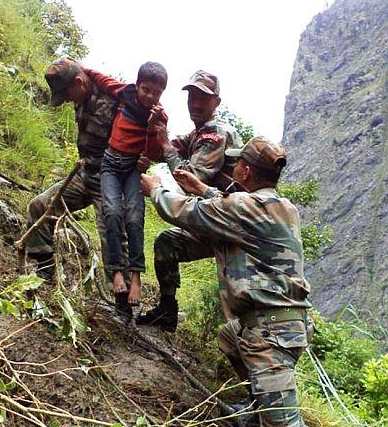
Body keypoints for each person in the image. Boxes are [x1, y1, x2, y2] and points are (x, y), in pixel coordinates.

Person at [140, 136, 340, 427]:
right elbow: (229, 210)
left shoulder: (246, 208)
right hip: (275, 328)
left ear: (245, 172)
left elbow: (178, 211)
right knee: (230, 338)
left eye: (237, 168)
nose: (233, 172)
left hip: (270, 335)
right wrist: (205, 188)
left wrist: (158, 185)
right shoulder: (280, 207)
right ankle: (255, 404)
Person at [137, 69, 241, 330]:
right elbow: (166, 151)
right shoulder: (197, 134)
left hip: (231, 225)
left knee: (239, 296)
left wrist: (164, 142)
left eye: (202, 98)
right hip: (214, 221)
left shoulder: (215, 134)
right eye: (191, 97)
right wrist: (156, 131)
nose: (195, 104)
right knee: (167, 243)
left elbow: (190, 176)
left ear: (216, 102)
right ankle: (167, 311)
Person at [25, 57, 121, 284]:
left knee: (113, 234)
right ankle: (44, 274)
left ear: (79, 83)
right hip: (85, 175)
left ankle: (122, 302)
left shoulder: (115, 101)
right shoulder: (80, 91)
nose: (67, 100)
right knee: (39, 206)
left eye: (67, 95)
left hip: (110, 181)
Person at [82, 63, 168, 314]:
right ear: (137, 85)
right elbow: (105, 80)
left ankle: (136, 278)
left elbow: (152, 152)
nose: (150, 96)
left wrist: (152, 128)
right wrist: (84, 69)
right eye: (146, 89)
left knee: (133, 216)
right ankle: (116, 272)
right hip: (110, 163)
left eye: (157, 92)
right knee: (111, 212)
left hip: (132, 169)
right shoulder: (126, 93)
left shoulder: (159, 116)